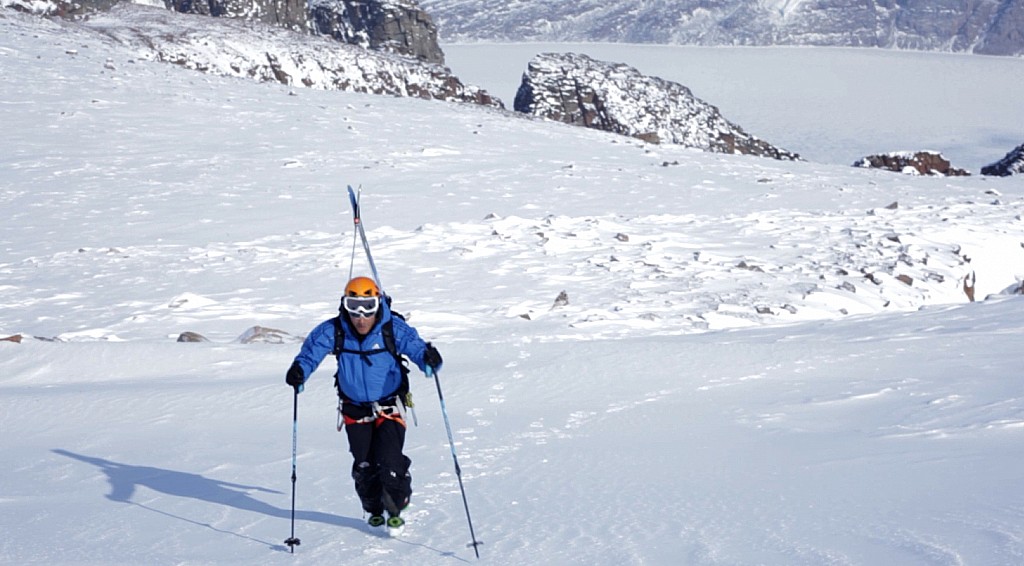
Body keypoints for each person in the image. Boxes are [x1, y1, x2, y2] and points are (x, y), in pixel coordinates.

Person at [285, 276, 443, 533]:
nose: (361, 316)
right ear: (344, 305)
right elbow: (310, 353)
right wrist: (299, 371)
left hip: (390, 404)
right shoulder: (334, 330)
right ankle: (372, 508)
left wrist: (428, 358)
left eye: (368, 307)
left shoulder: (393, 328)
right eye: (354, 307)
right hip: (354, 408)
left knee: (389, 461)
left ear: (378, 303)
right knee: (364, 464)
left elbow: (415, 346)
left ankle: (396, 507)